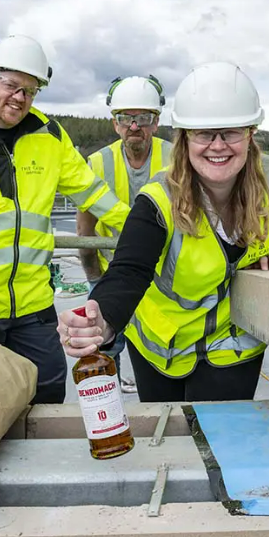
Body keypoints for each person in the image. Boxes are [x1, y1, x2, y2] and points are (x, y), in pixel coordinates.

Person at [56, 62, 269, 403]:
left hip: (234, 344)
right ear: (186, 139)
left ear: (251, 133)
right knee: (172, 439)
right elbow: (130, 271)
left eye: (231, 132)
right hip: (162, 345)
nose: (218, 145)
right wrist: (101, 321)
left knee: (222, 441)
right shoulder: (158, 201)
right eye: (204, 134)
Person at [0, 35, 129, 404]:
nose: (20, 98)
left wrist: (139, 229)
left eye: (31, 91)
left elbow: (91, 192)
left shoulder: (49, 136)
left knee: (49, 391)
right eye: (12, 86)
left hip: (33, 305)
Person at [77, 75, 173, 392]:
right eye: (125, 118)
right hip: (114, 279)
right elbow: (85, 229)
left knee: (161, 359)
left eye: (143, 118)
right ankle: (110, 421)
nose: (134, 126)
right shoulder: (96, 163)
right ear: (115, 123)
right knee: (103, 355)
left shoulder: (177, 159)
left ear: (156, 122)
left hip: (168, 284)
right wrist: (94, 279)